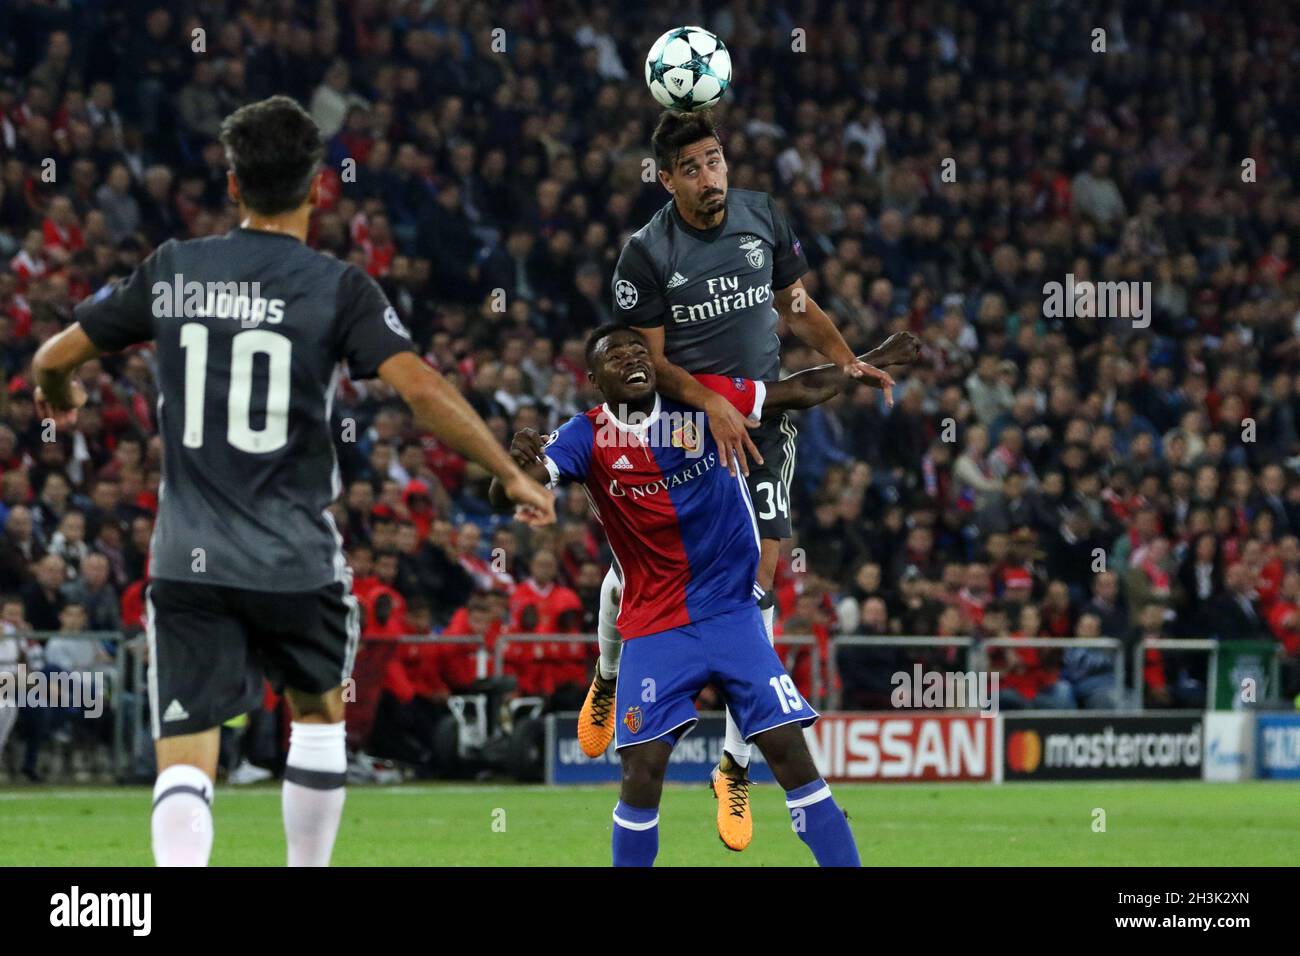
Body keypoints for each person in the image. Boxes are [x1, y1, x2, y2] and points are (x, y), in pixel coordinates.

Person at [30, 95, 555, 868]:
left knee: (186, 751)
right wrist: (509, 472)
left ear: (233, 185)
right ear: (318, 189)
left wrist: (62, 396)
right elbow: (423, 390)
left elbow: (50, 359)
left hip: (187, 560)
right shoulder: (338, 288)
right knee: (315, 715)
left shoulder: (173, 268)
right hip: (294, 558)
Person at [603, 109, 899, 849]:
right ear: (665, 179)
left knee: (763, 566)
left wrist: (845, 356)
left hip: (761, 423)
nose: (710, 178)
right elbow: (650, 364)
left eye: (716, 161)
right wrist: (709, 403)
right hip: (679, 431)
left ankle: (735, 764)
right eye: (692, 168)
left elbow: (794, 306)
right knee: (638, 578)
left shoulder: (762, 216)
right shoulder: (645, 255)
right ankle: (608, 676)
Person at [492, 324, 884, 866]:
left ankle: (734, 772)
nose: (631, 357)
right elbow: (505, 493)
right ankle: (605, 681)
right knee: (641, 772)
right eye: (614, 354)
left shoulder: (703, 403)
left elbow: (799, 390)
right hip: (657, 624)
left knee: (792, 755)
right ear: (593, 379)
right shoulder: (586, 435)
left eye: (637, 348)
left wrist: (863, 361)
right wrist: (512, 463)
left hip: (730, 612)